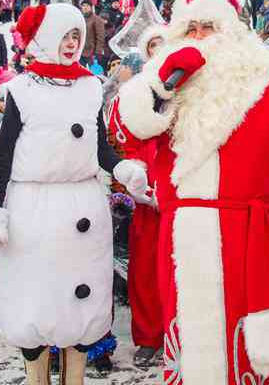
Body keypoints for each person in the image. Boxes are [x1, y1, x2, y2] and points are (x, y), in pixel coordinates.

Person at [110, 0, 269, 384]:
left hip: (252, 233)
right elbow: (126, 129)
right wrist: (160, 85)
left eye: (209, 26)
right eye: (190, 29)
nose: (200, 37)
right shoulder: (164, 86)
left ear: (233, 31)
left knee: (260, 346)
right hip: (183, 237)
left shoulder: (268, 79)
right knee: (193, 341)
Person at [0, 3, 145, 385]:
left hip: (83, 203)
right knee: (36, 304)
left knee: (80, 312)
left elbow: (100, 147)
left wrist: (122, 168)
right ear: (46, 38)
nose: (71, 44)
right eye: (64, 36)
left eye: (77, 36)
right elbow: (2, 157)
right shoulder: (20, 90)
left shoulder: (90, 88)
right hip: (34, 210)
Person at [105, 24, 166, 368]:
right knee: (143, 270)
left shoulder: (190, 92)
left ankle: (182, 333)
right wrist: (131, 183)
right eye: (152, 46)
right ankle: (147, 338)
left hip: (183, 194)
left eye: (164, 45)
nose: (158, 52)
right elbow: (116, 145)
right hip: (142, 196)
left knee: (182, 269)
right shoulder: (128, 97)